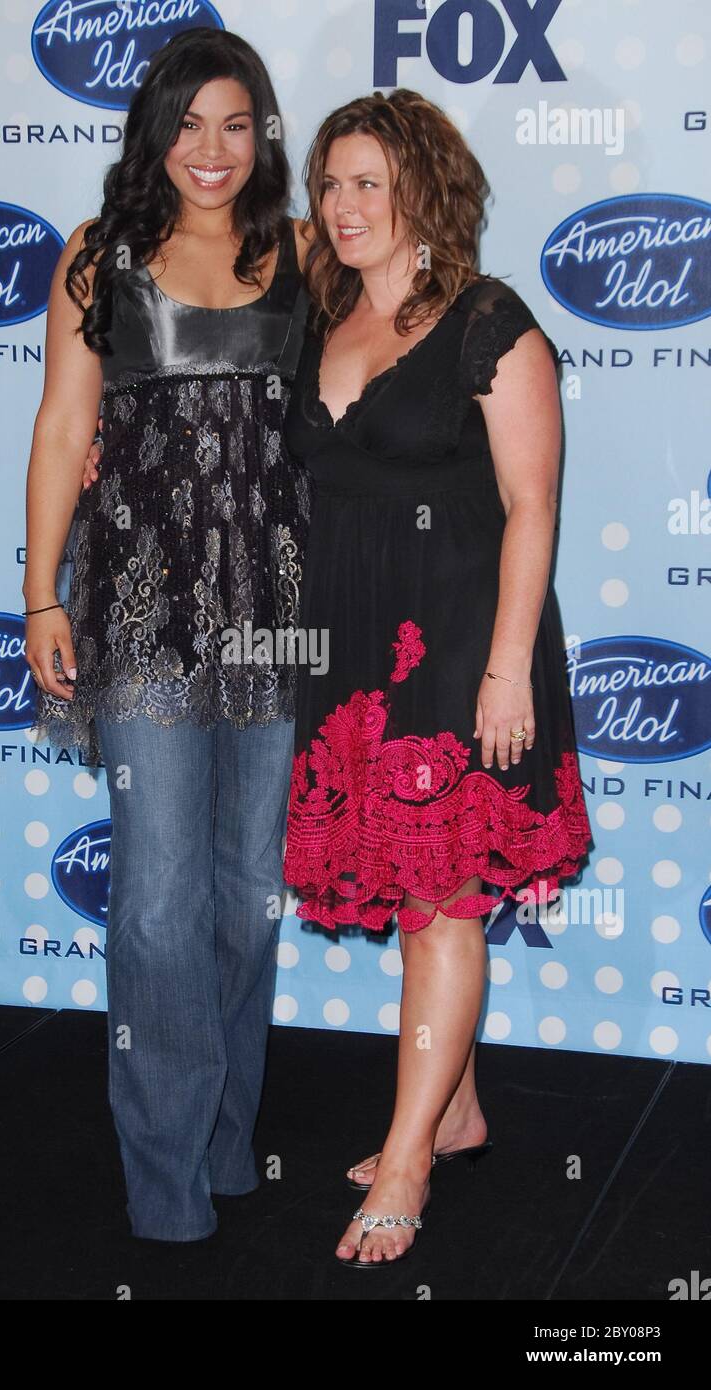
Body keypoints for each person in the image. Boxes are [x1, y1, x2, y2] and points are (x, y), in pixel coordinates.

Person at [281, 88, 593, 1267]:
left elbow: (531, 505)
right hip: (351, 657)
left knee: (436, 909)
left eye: (369, 181)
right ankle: (452, 1108)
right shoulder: (321, 317)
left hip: (462, 649)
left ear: (423, 192)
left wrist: (506, 668)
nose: (345, 205)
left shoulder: (486, 320)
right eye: (330, 182)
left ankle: (409, 1156)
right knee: (422, 899)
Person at [23, 29, 312, 1242]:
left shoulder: (302, 252)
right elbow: (58, 427)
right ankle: (166, 1182)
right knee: (153, 903)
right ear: (155, 131)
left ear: (264, 136)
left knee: (247, 895)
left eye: (235, 124)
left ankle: (225, 1137)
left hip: (277, 606)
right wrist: (41, 592)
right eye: (189, 124)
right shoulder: (100, 256)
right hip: (140, 599)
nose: (211, 150)